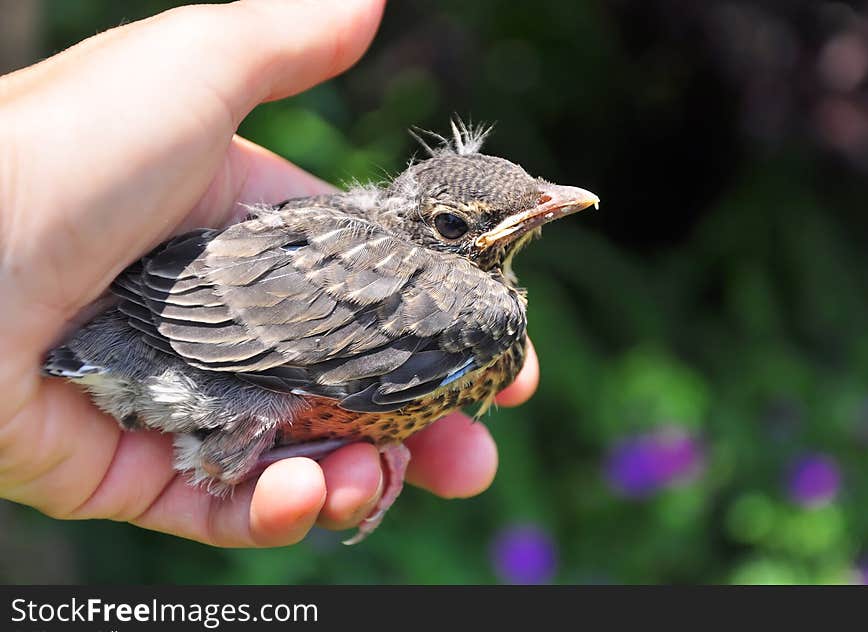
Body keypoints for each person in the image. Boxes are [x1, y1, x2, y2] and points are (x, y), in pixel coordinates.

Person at [0, 0, 540, 548]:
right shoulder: (474, 310)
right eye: (453, 225)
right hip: (195, 366)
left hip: (161, 326)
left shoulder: (469, 318)